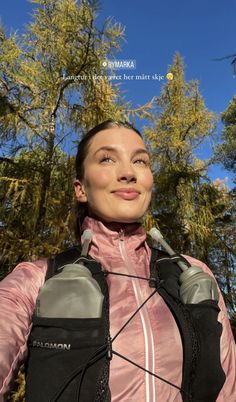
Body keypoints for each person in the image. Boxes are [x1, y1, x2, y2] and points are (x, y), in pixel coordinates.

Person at [0, 119, 235, 402]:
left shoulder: (193, 274)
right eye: (107, 159)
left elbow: (227, 387)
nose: (128, 173)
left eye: (140, 161)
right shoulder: (35, 279)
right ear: (81, 189)